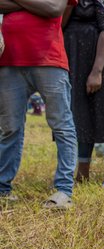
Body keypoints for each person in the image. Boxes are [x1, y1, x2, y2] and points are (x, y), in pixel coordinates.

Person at [0, 0, 78, 209]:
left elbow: (54, 8)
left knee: (62, 126)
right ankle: (2, 189)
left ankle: (63, 191)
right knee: (9, 128)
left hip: (50, 59)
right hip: (9, 60)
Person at [64, 0, 104, 187]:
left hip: (101, 62)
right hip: (75, 60)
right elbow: (60, 25)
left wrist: (97, 71)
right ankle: (82, 172)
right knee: (81, 115)